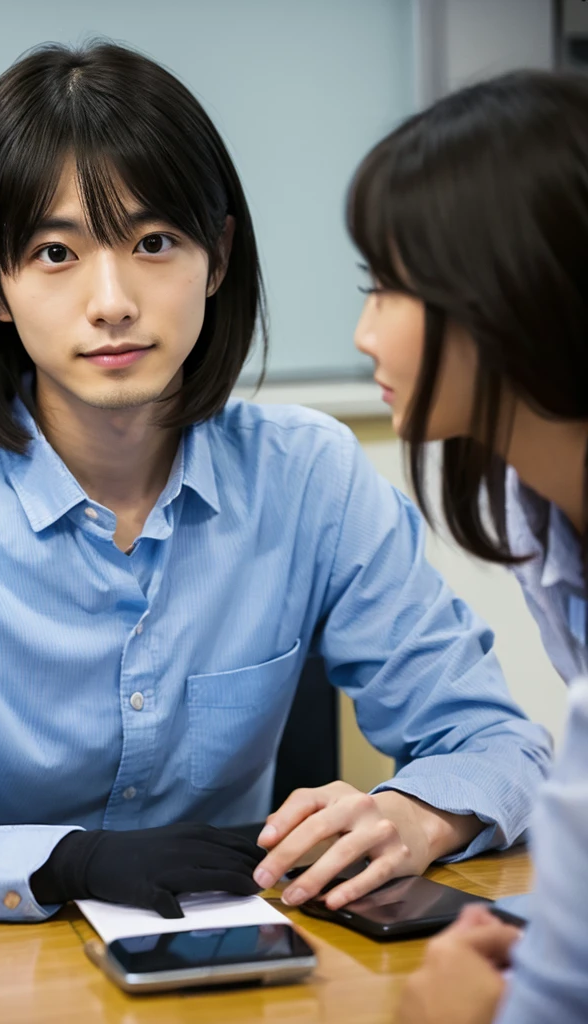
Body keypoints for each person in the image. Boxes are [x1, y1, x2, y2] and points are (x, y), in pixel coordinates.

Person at [0, 42, 550, 924]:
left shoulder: (309, 477)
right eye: (56, 252)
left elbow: (496, 740)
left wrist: (414, 816)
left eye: (154, 242)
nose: (113, 300)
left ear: (217, 257)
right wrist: (64, 863)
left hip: (239, 962)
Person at [345, 70, 588, 1024]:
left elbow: (510, 745)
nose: (364, 333)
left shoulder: (316, 473)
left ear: (505, 296)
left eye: (387, 290)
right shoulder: (541, 514)